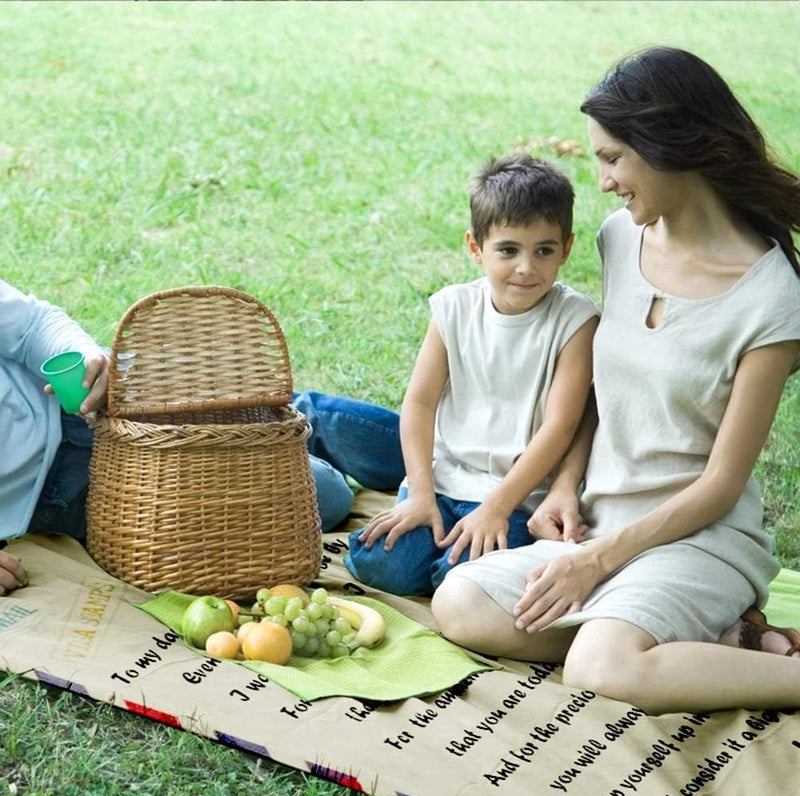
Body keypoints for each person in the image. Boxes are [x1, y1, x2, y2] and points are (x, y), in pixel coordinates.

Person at [431, 46, 800, 714]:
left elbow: (721, 483)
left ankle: (684, 639)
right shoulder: (617, 240)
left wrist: (597, 564)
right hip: (600, 524)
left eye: (613, 158)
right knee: (459, 602)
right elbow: (606, 390)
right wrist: (566, 486)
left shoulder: (772, 300)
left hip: (699, 537)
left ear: (669, 147)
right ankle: (715, 644)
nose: (602, 181)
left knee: (599, 666)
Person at [0, 280, 404, 596]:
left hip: (85, 397)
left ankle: (450, 458)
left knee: (273, 409)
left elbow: (32, 325)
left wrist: (85, 357)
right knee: (328, 494)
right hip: (54, 498)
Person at [345, 154, 600, 596]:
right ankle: (429, 541)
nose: (526, 267)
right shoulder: (453, 308)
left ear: (567, 248)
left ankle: (450, 563)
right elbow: (420, 404)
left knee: (462, 580)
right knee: (380, 564)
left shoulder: (575, 319)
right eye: (508, 250)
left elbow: (561, 426)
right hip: (444, 479)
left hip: (516, 496)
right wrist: (421, 493)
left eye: (544, 250)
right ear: (475, 247)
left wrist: (497, 507)